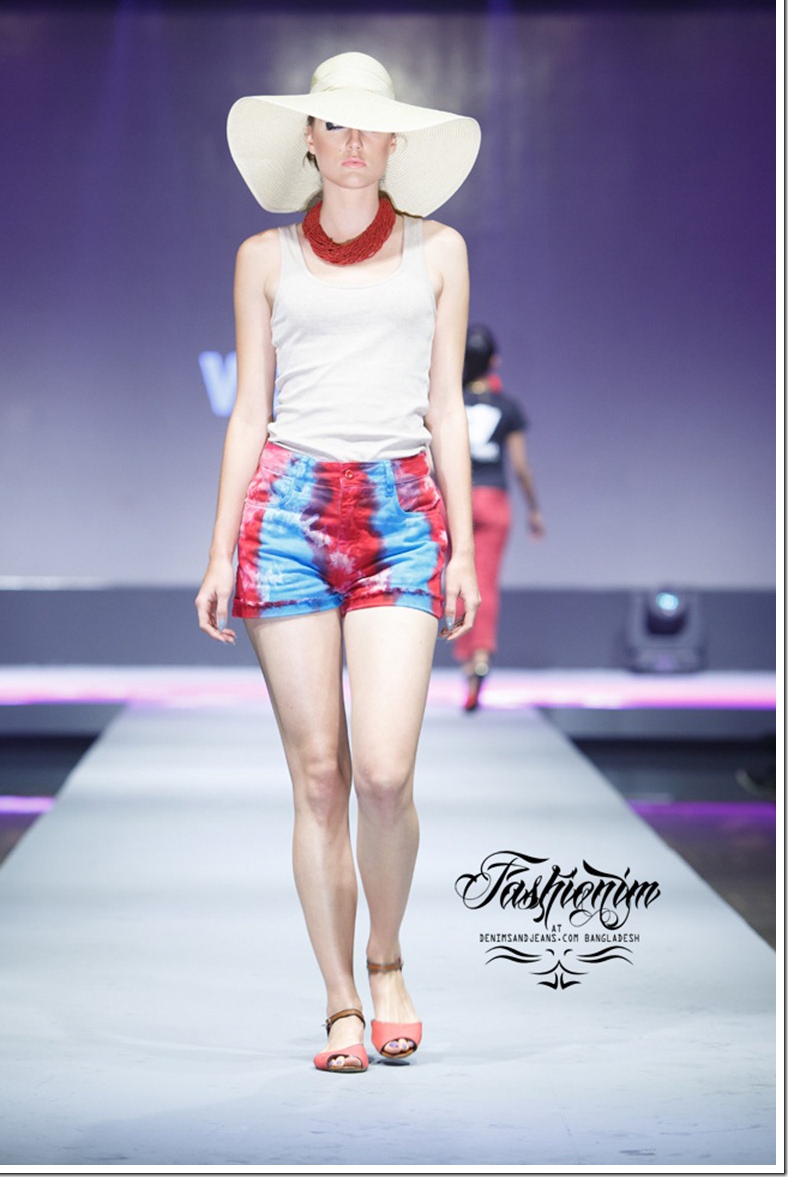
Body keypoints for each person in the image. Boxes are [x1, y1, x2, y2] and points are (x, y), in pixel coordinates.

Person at [195, 53, 481, 1073]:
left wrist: (462, 550)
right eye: (335, 124)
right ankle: (341, 1004)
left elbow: (446, 405)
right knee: (318, 776)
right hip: (288, 513)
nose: (354, 140)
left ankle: (388, 957)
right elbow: (249, 412)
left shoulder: (438, 249)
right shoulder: (262, 257)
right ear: (309, 142)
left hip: (401, 511)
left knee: (385, 772)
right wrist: (219, 548)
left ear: (393, 142)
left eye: (371, 125)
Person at [455, 325, 545, 711]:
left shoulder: (449, 402)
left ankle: (465, 662)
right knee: (485, 582)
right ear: (494, 361)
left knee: (458, 580)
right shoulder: (507, 407)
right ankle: (481, 657)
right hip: (494, 499)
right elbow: (521, 467)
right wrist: (534, 510)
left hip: (455, 499)